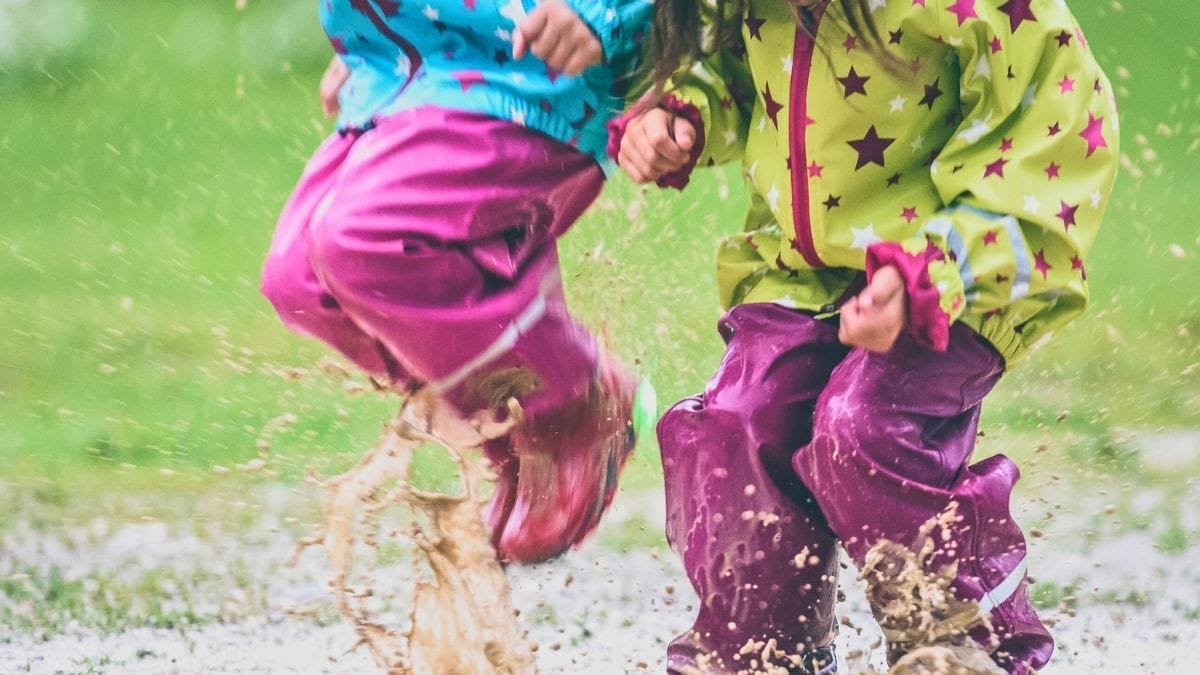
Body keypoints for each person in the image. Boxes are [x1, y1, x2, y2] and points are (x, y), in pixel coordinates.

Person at [612, 0, 1118, 671]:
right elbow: (731, 60)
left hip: (957, 270)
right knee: (736, 428)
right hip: (801, 271)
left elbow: (1052, 121)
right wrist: (680, 113)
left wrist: (931, 272)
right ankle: (763, 651)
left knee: (862, 427)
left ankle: (962, 641)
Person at [261, 0, 654, 565]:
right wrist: (376, 38)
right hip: (404, 76)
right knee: (297, 283)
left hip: (525, 76)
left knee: (360, 241)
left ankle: (574, 397)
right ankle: (514, 425)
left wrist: (600, 12)